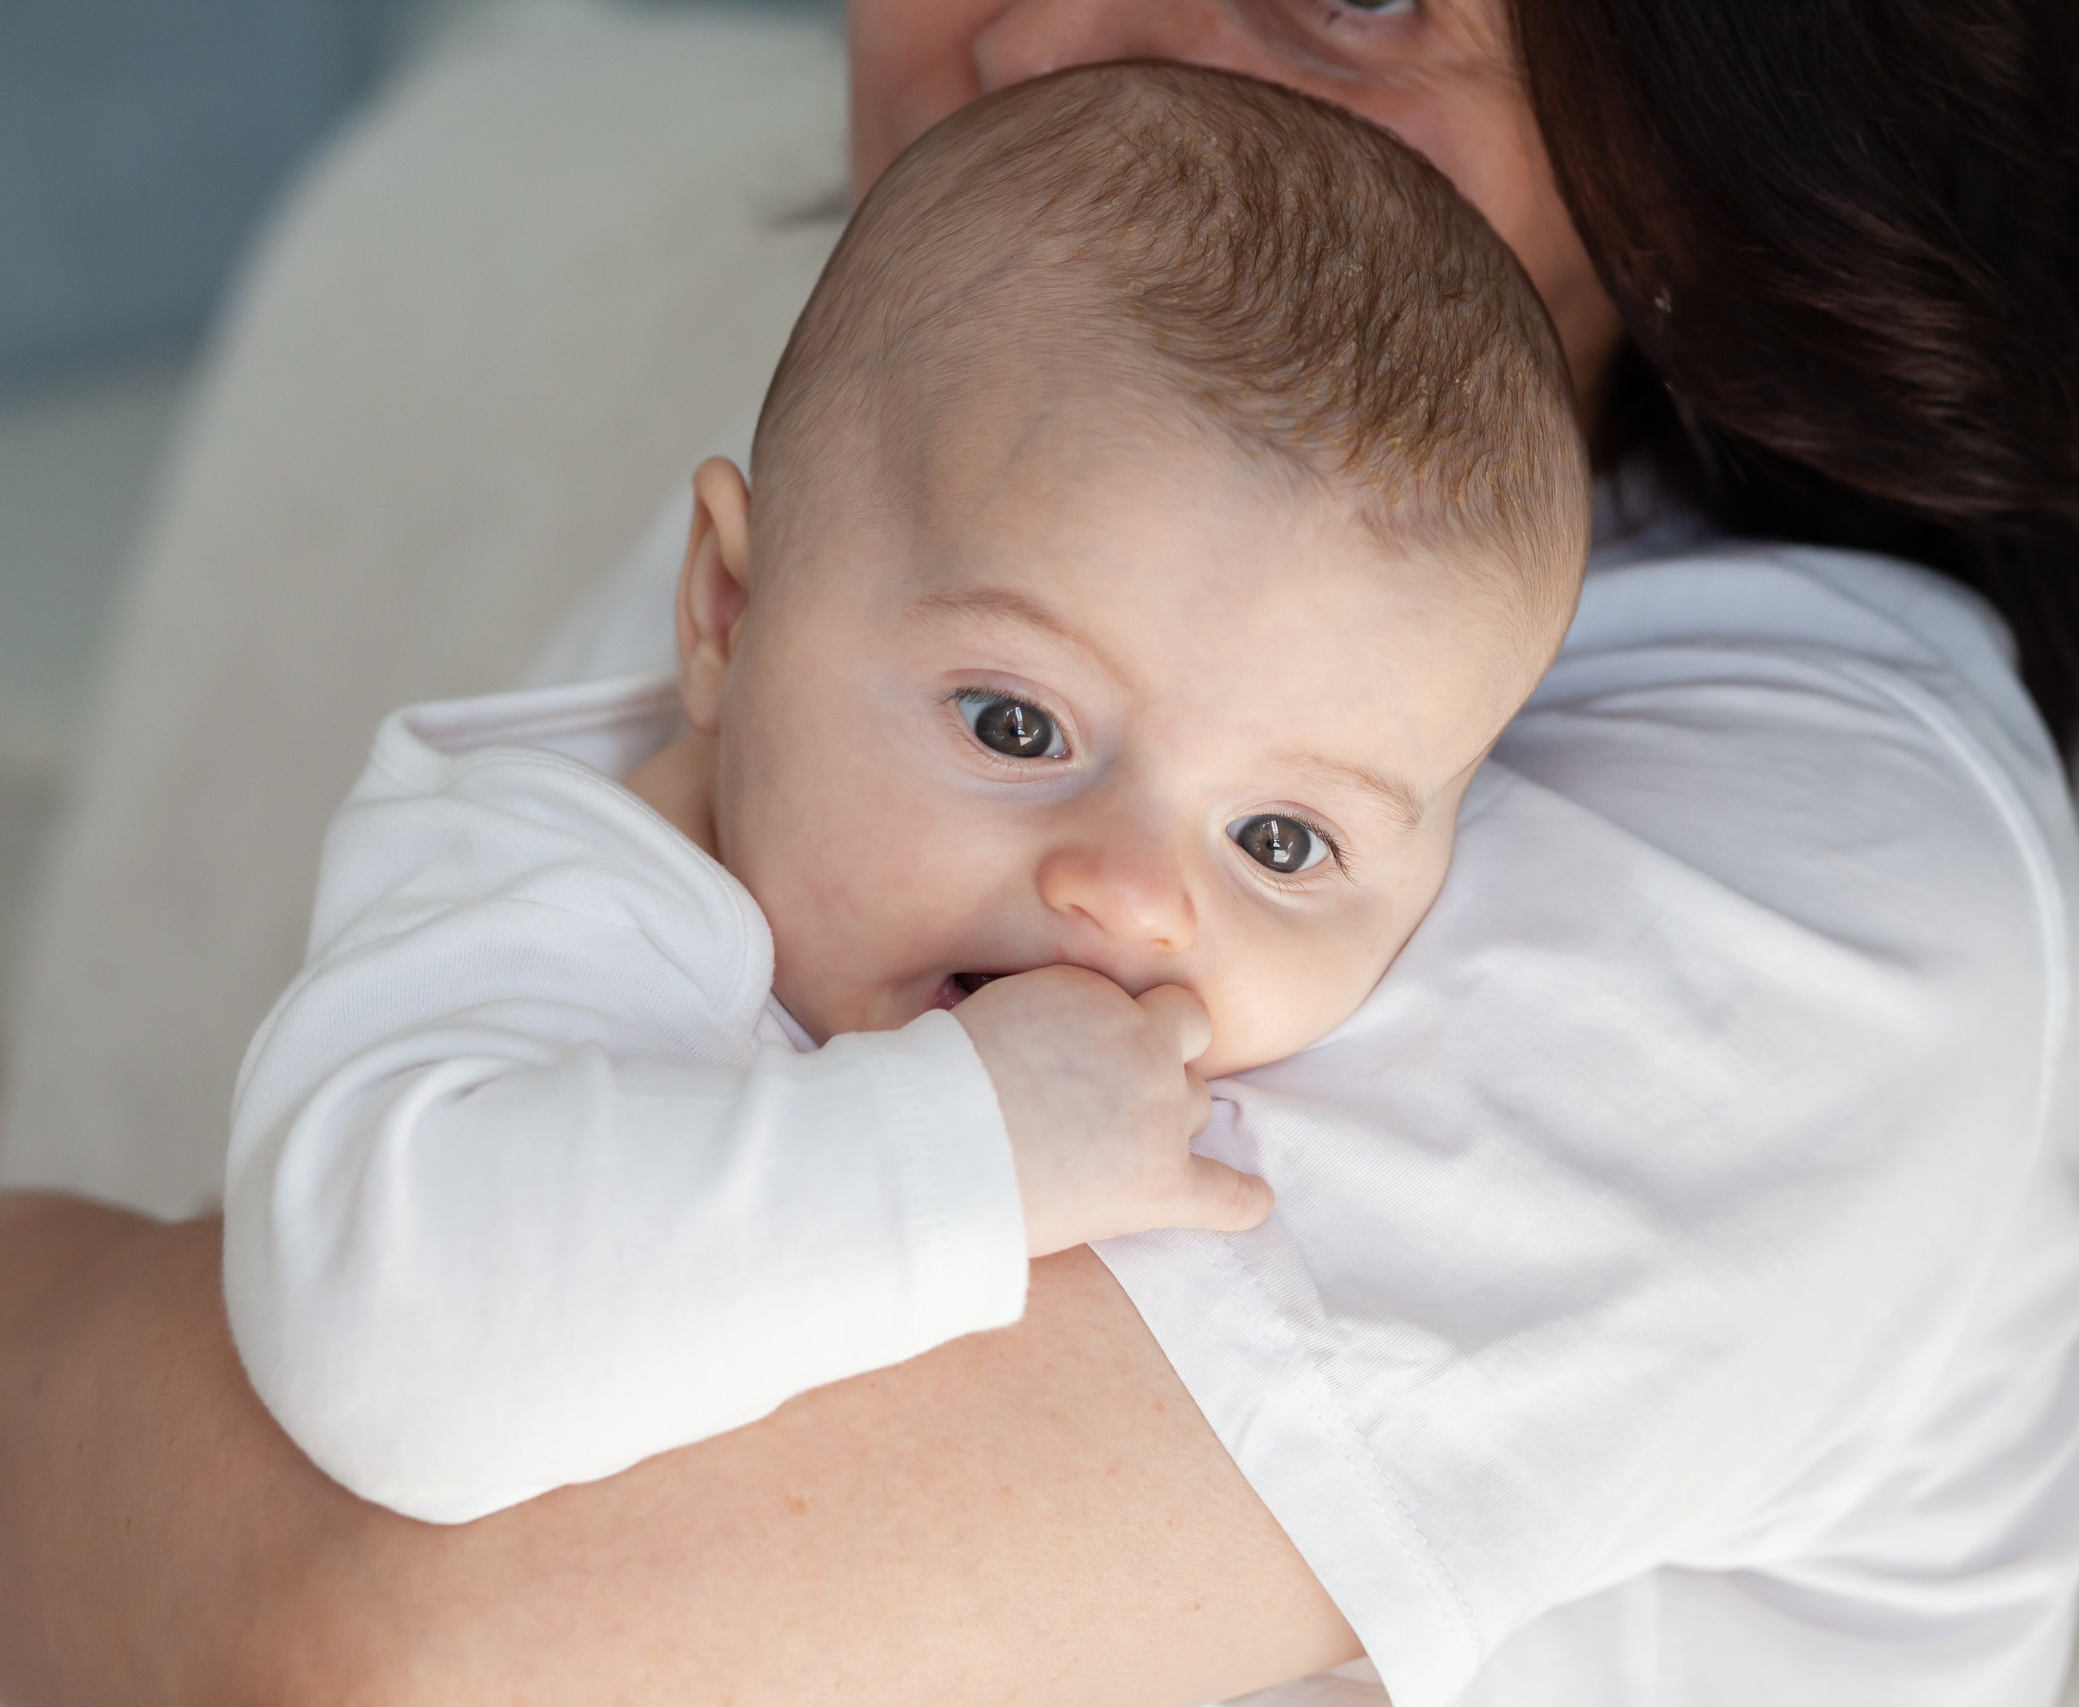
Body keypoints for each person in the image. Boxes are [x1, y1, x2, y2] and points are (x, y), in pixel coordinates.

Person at [0, 1, 2079, 1704]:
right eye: (1015, 723)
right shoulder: (930, 504)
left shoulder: (1789, 885)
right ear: (733, 591)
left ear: (1738, 111)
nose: (1032, 42)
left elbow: (381, 1629)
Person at [223, 62, 1587, 1526]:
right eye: (1016, 723)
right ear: (731, 613)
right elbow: (386, 1350)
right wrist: (965, 1151)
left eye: (1280, 839)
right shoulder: (543, 916)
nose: (1133, 896)